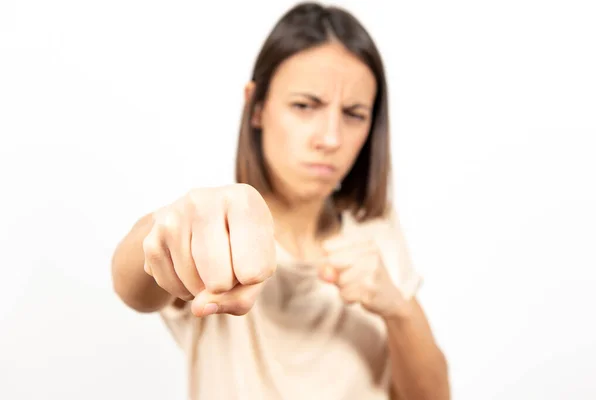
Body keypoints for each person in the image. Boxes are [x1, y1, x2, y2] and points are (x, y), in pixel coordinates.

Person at [111, 2, 450, 399]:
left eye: (355, 114)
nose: (331, 138)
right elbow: (131, 285)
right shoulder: (219, 232)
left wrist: (398, 307)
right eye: (305, 106)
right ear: (256, 107)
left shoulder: (375, 229)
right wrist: (168, 226)